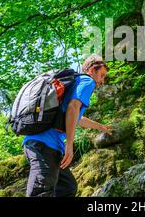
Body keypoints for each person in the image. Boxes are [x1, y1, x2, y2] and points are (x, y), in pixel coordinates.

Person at [23, 54, 113, 197]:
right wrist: (69, 144)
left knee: (67, 188)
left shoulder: (75, 84)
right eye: (101, 75)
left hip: (49, 147)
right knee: (41, 192)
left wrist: (100, 127)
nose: (102, 81)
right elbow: (73, 108)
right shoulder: (87, 81)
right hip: (43, 144)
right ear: (91, 70)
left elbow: (77, 117)